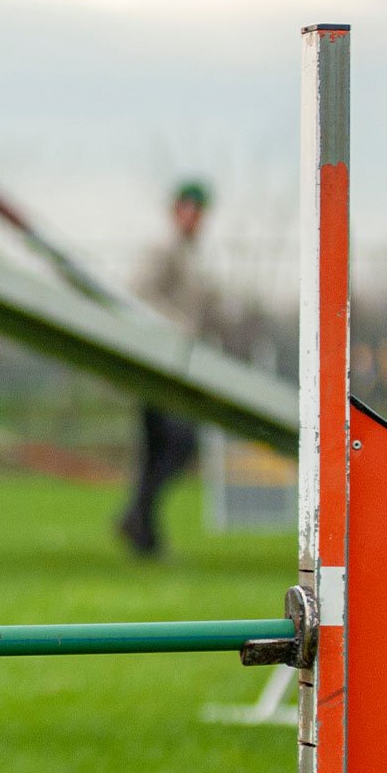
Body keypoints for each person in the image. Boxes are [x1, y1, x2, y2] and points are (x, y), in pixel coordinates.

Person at [117, 179, 226, 558]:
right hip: (160, 364)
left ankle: (143, 533)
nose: (193, 216)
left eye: (199, 210)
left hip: (179, 363)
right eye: (187, 208)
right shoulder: (163, 249)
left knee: (159, 452)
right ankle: (136, 520)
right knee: (178, 446)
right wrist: (178, 326)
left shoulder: (191, 254)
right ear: (175, 210)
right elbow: (137, 293)